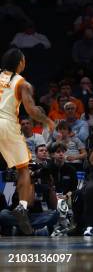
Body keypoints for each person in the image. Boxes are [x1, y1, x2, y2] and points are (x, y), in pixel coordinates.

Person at [0, 48, 55, 235]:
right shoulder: (22, 83)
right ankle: (22, 206)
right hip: (6, 124)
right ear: (20, 63)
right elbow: (31, 110)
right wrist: (47, 121)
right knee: (24, 169)